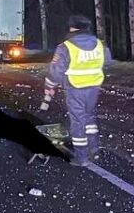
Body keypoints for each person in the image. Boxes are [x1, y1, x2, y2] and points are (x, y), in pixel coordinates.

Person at [41, 15, 112, 166]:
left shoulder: (66, 46)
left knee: (78, 120)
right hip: (93, 87)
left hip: (75, 88)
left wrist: (50, 87)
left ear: (73, 28)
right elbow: (106, 64)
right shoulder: (100, 44)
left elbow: (55, 72)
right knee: (89, 117)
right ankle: (93, 148)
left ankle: (81, 157)